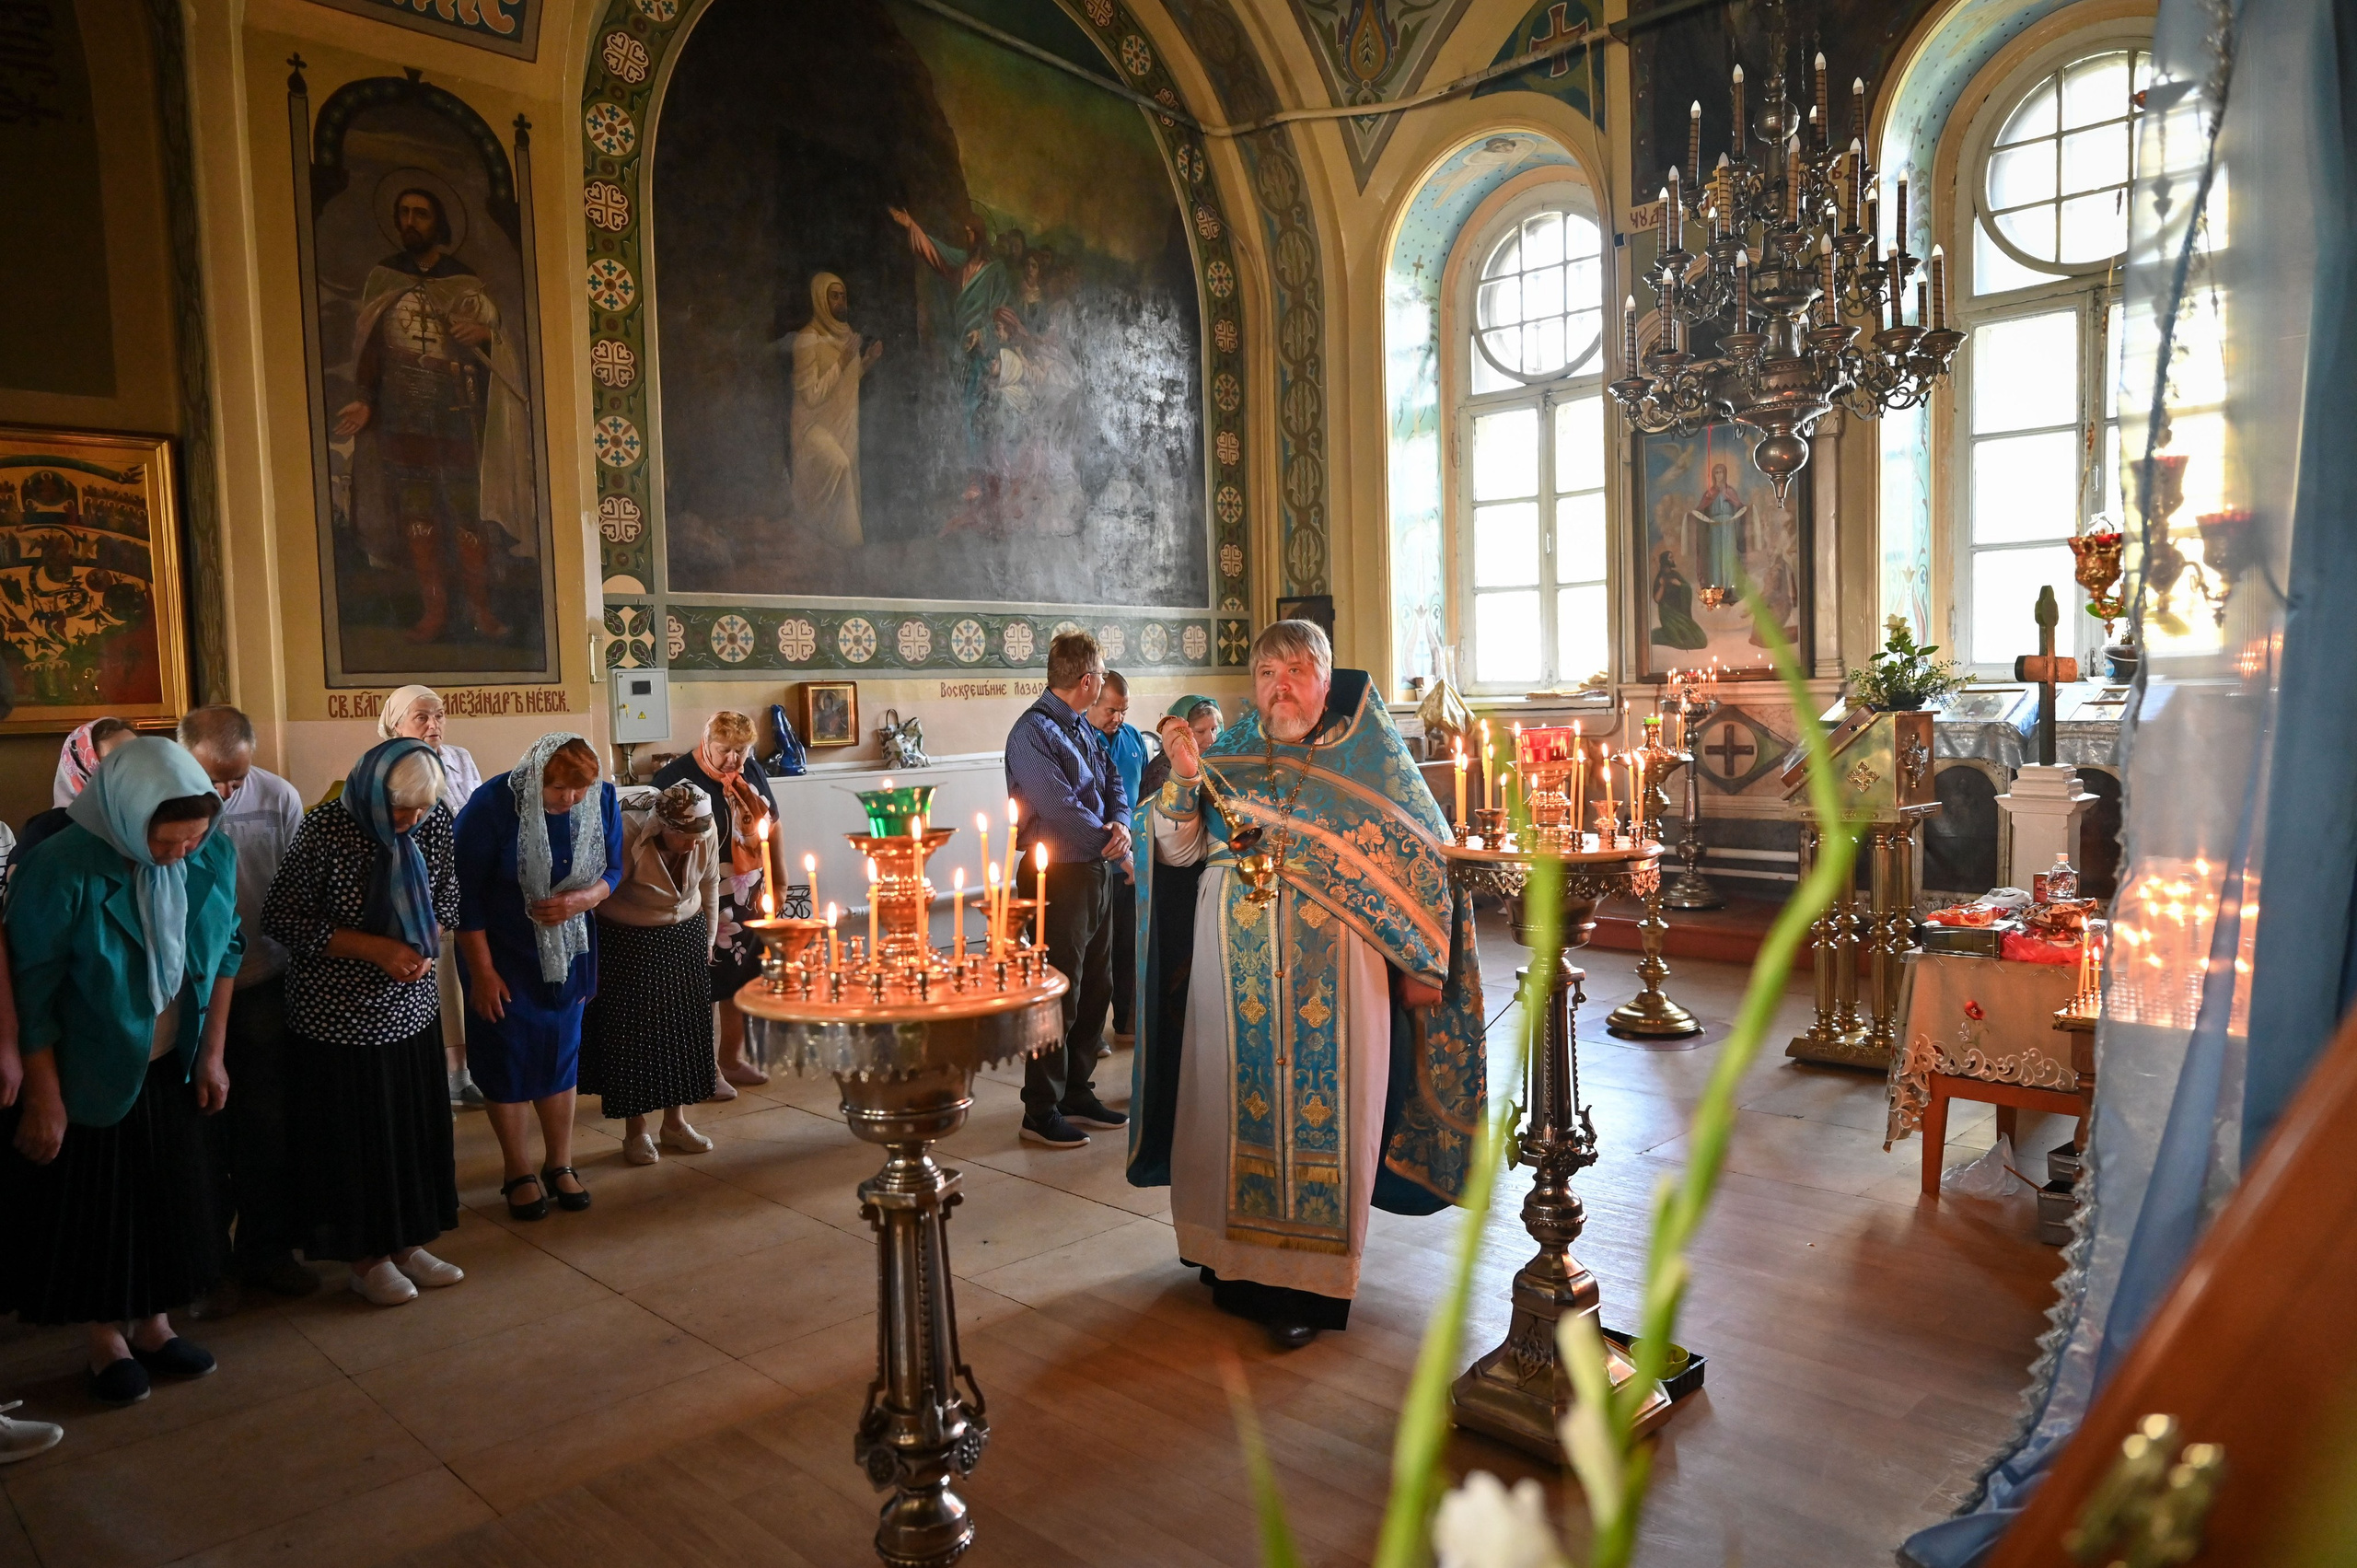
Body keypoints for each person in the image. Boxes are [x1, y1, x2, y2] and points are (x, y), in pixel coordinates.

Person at [1129, 621, 1486, 1349]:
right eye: (1266, 672)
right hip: (1230, 982)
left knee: (1321, 1123)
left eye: (1296, 669)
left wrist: (1424, 962)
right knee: (1230, 1111)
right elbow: (1175, 845)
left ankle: (1306, 1288)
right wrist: (1184, 780)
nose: (1280, 685)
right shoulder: (1223, 754)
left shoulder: (1372, 764)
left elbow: (1426, 859)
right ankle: (1230, 1262)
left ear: (1326, 678)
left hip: (1339, 984)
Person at [1, 739, 241, 1404]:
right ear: (128, 817)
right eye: (166, 842)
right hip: (90, 1069)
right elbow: (32, 994)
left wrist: (213, 1051)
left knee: (168, 1195)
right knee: (100, 1210)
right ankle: (105, 1339)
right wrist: (44, 1097)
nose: (181, 854)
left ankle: (156, 1326)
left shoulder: (210, 852)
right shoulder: (61, 865)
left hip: (174, 1058)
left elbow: (229, 949)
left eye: (194, 839)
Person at [264, 738, 464, 1306]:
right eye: (403, 810)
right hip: (339, 1019)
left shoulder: (434, 822)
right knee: (357, 1138)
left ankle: (408, 1243)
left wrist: (429, 940)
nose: (413, 821)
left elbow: (449, 894)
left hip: (411, 1009)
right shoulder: (328, 827)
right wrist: (374, 949)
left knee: (407, 1129)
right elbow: (282, 916)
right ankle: (365, 1257)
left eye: (423, 809)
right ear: (372, 792)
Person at [333, 184, 533, 645]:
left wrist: (483, 334)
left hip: (457, 414)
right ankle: (435, 611)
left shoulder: (465, 283)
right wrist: (364, 398)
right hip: (402, 415)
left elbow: (496, 346)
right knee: (417, 515)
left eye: (420, 214)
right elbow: (372, 350)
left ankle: (481, 611)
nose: (410, 222)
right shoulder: (385, 280)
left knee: (466, 514)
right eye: (403, 213)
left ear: (438, 222)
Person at [178, 705, 315, 1307]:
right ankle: (209, 1264)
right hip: (190, 995)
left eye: (237, 778)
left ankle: (268, 1250)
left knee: (267, 1125)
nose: (228, 791)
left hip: (262, 979)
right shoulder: (167, 804)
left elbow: (297, 887)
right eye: (215, 779)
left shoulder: (278, 797)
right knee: (202, 1133)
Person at [455, 735, 621, 1220]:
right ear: (534, 777)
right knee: (506, 1057)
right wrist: (482, 973)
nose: (569, 800)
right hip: (502, 953)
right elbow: (463, 894)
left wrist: (585, 899)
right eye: (557, 790)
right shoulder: (493, 803)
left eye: (578, 791)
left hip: (570, 951)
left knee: (560, 1053)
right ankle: (517, 1169)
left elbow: (614, 870)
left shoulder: (602, 798)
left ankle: (560, 1163)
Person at [1004, 631, 1131, 1149]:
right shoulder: (1031, 733)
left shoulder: (1082, 728)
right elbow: (1057, 805)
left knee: (1095, 984)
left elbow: (1115, 785)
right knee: (1056, 990)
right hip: (1055, 873)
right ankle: (1040, 1107)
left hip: (1093, 869)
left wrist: (1119, 823)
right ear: (1086, 680)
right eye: (1100, 675)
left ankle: (1077, 1089)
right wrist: (1112, 841)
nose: (1101, 682)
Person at [582, 783, 720, 1164]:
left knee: (682, 1031)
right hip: (630, 939)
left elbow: (709, 883)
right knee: (636, 1038)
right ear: (665, 827)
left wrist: (707, 938)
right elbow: (601, 891)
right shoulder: (628, 831)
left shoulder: (705, 832)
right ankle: (635, 1131)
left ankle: (675, 1124)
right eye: (686, 837)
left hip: (684, 933)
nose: (694, 844)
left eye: (700, 836)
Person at [653, 713, 776, 1098]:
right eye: (725, 751)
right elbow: (661, 845)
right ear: (706, 741)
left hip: (748, 891)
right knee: (702, 984)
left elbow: (773, 823)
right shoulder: (677, 778)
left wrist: (781, 879)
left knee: (741, 980)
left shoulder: (751, 771)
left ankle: (730, 1059)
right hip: (702, 894)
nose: (733, 761)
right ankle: (702, 1069)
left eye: (741, 751)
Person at [377, 684, 487, 1108]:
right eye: (421, 717)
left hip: (465, 881)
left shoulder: (459, 758)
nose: (434, 724)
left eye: (438, 714)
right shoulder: (387, 766)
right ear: (396, 724)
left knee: (465, 979)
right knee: (436, 980)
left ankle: (466, 1071)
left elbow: (475, 810)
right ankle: (447, 1074)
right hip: (420, 887)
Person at [1129, 694, 1223, 1154]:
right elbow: (1157, 833)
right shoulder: (1159, 772)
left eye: (1214, 730)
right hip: (1177, 898)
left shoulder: (1228, 767)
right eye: (1199, 731)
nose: (1209, 739)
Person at [792, 273, 884, 548]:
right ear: (820, 299)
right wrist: (843, 361)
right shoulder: (808, 339)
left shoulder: (845, 335)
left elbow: (845, 384)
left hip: (842, 426)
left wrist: (866, 362)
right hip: (813, 429)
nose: (841, 301)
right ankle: (848, 547)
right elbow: (812, 395)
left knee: (848, 479)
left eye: (843, 295)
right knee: (840, 466)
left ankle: (842, 556)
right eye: (834, 296)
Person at [1086, 671, 1149, 1052]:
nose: (1118, 719)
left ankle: (1127, 1022)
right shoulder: (1076, 740)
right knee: (1096, 957)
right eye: (1111, 710)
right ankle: (1089, 1036)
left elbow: (1137, 799)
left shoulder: (1134, 739)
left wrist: (1136, 855)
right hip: (1094, 861)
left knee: (1128, 947)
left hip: (1130, 864)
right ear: (1092, 701)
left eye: (1123, 711)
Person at [20, 717, 136, 865]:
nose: (132, 766)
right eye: (116, 760)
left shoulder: (150, 818)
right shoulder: (47, 829)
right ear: (82, 766)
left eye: (136, 755)